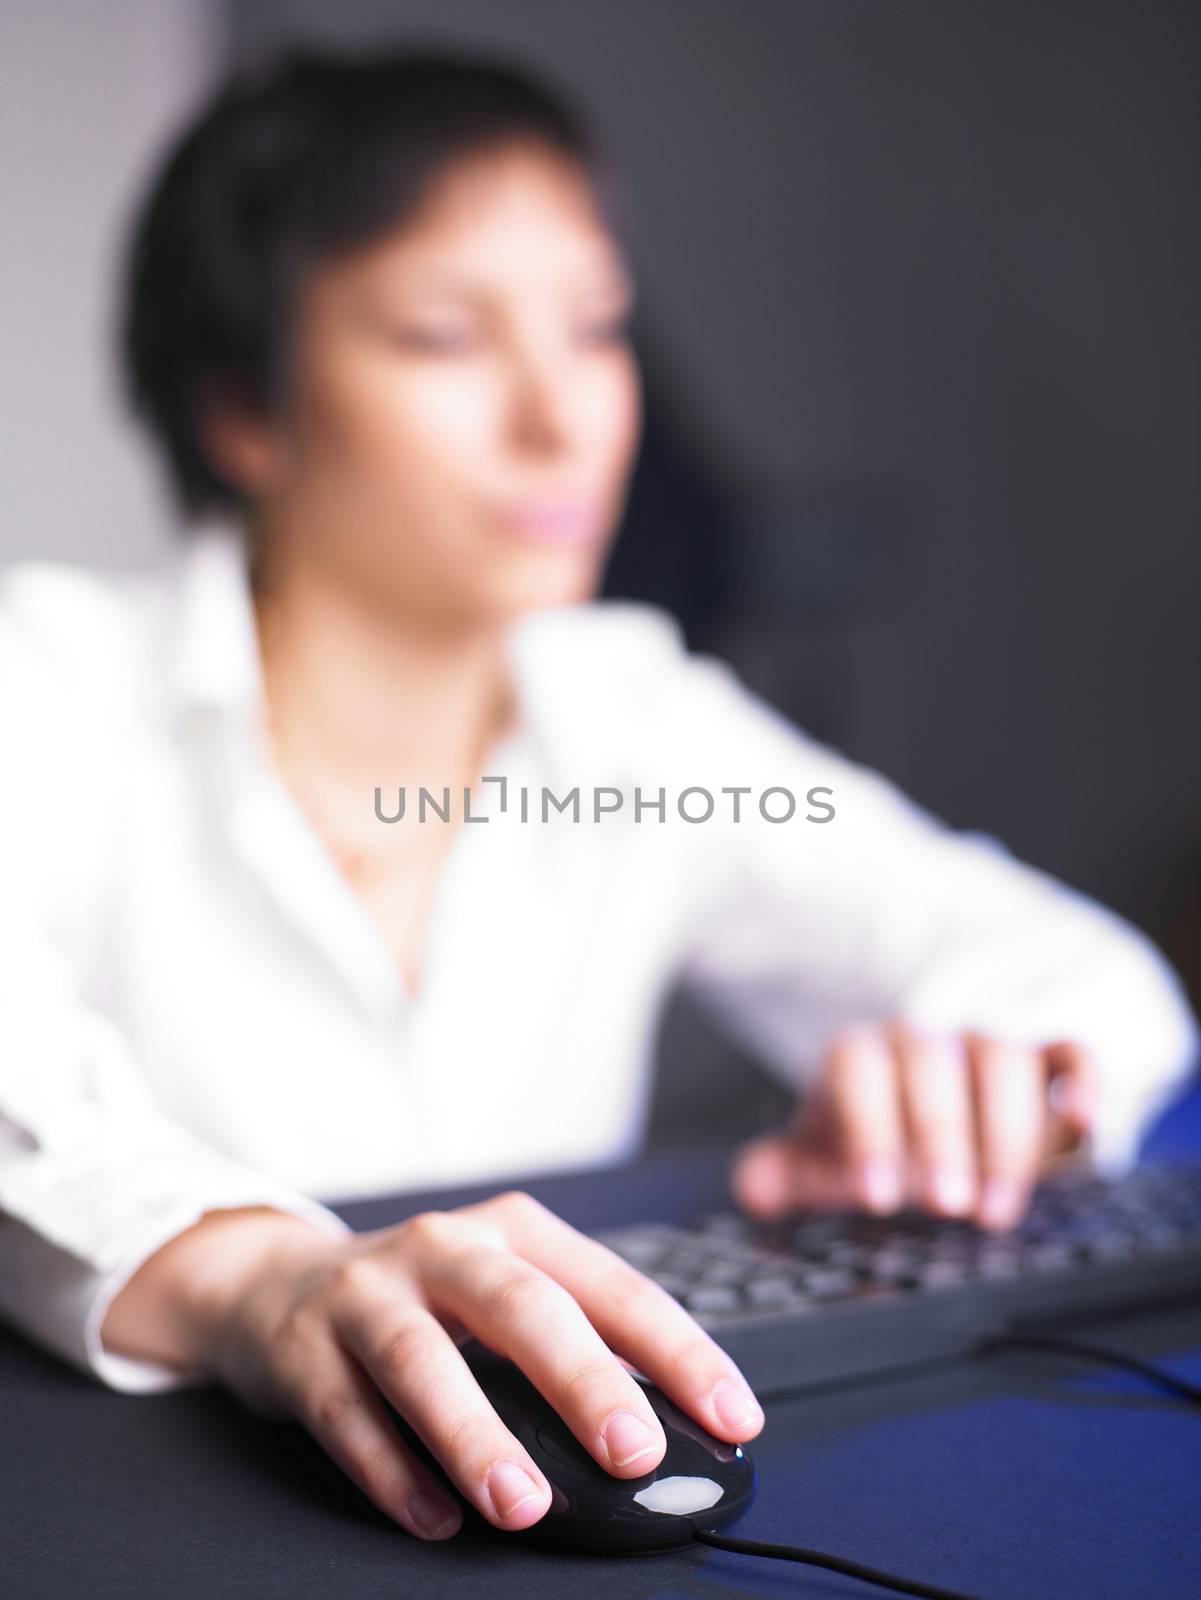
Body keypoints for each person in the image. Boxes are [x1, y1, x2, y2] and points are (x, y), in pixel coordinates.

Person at [0, 48, 1195, 1547]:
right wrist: (262, 1275)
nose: (565, 418)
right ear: (246, 411)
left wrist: (987, 1088)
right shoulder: (42, 677)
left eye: (596, 330)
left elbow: (1085, 979)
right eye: (446, 337)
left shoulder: (635, 716)